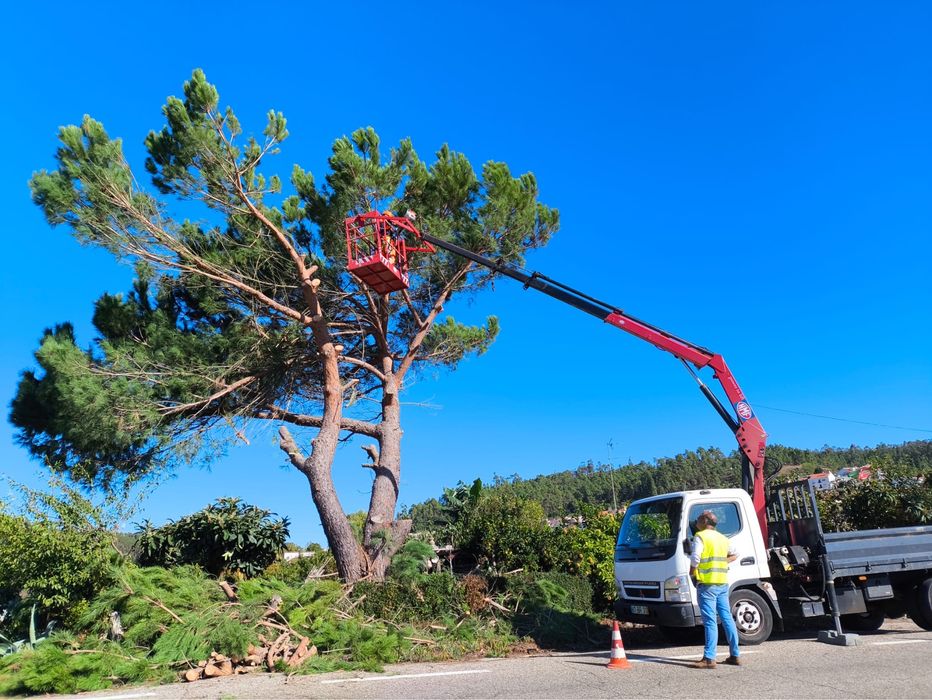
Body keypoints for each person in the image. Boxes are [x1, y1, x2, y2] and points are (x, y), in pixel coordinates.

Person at [689, 510, 741, 668]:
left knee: (710, 620)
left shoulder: (701, 536)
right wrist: (721, 563)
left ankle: (709, 658)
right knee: (727, 619)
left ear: (705, 521)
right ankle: (735, 655)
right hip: (722, 583)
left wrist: (692, 572)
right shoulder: (722, 538)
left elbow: (695, 557)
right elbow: (736, 554)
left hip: (707, 584)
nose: (696, 521)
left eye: (698, 519)